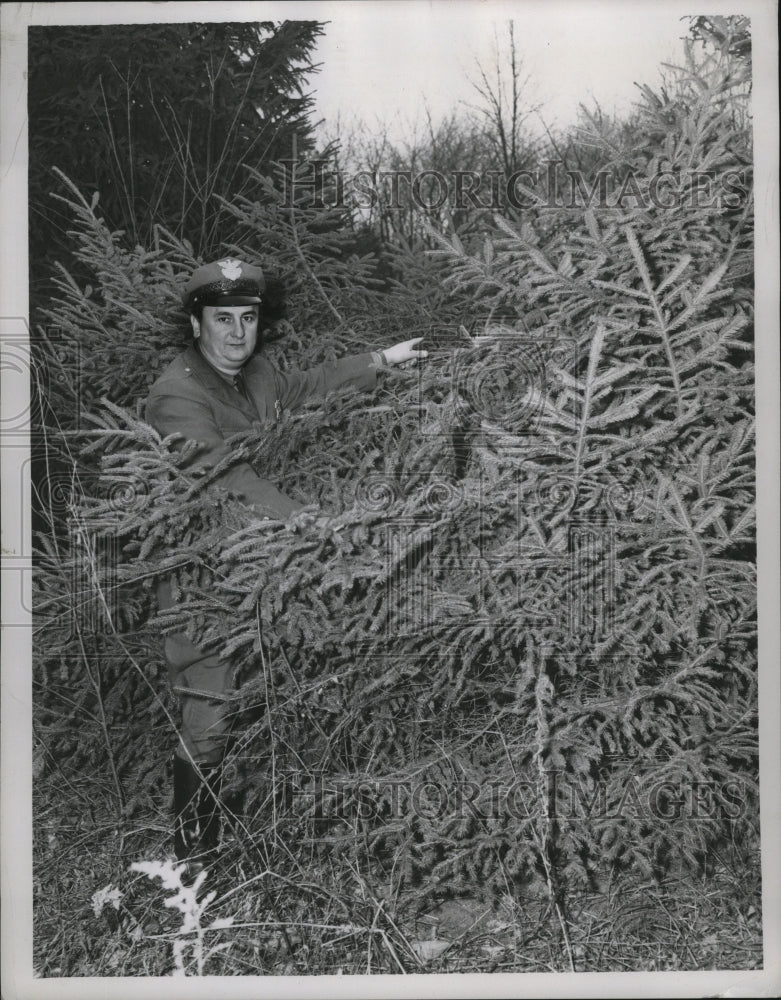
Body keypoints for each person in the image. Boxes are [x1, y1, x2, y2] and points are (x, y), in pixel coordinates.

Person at [145, 257, 426, 868]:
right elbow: (222, 474)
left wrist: (383, 360)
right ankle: (193, 862)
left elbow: (303, 387)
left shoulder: (258, 372)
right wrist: (311, 523)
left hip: (269, 555)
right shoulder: (177, 395)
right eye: (223, 319)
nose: (238, 332)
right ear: (197, 324)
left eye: (247, 319)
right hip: (206, 573)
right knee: (211, 701)